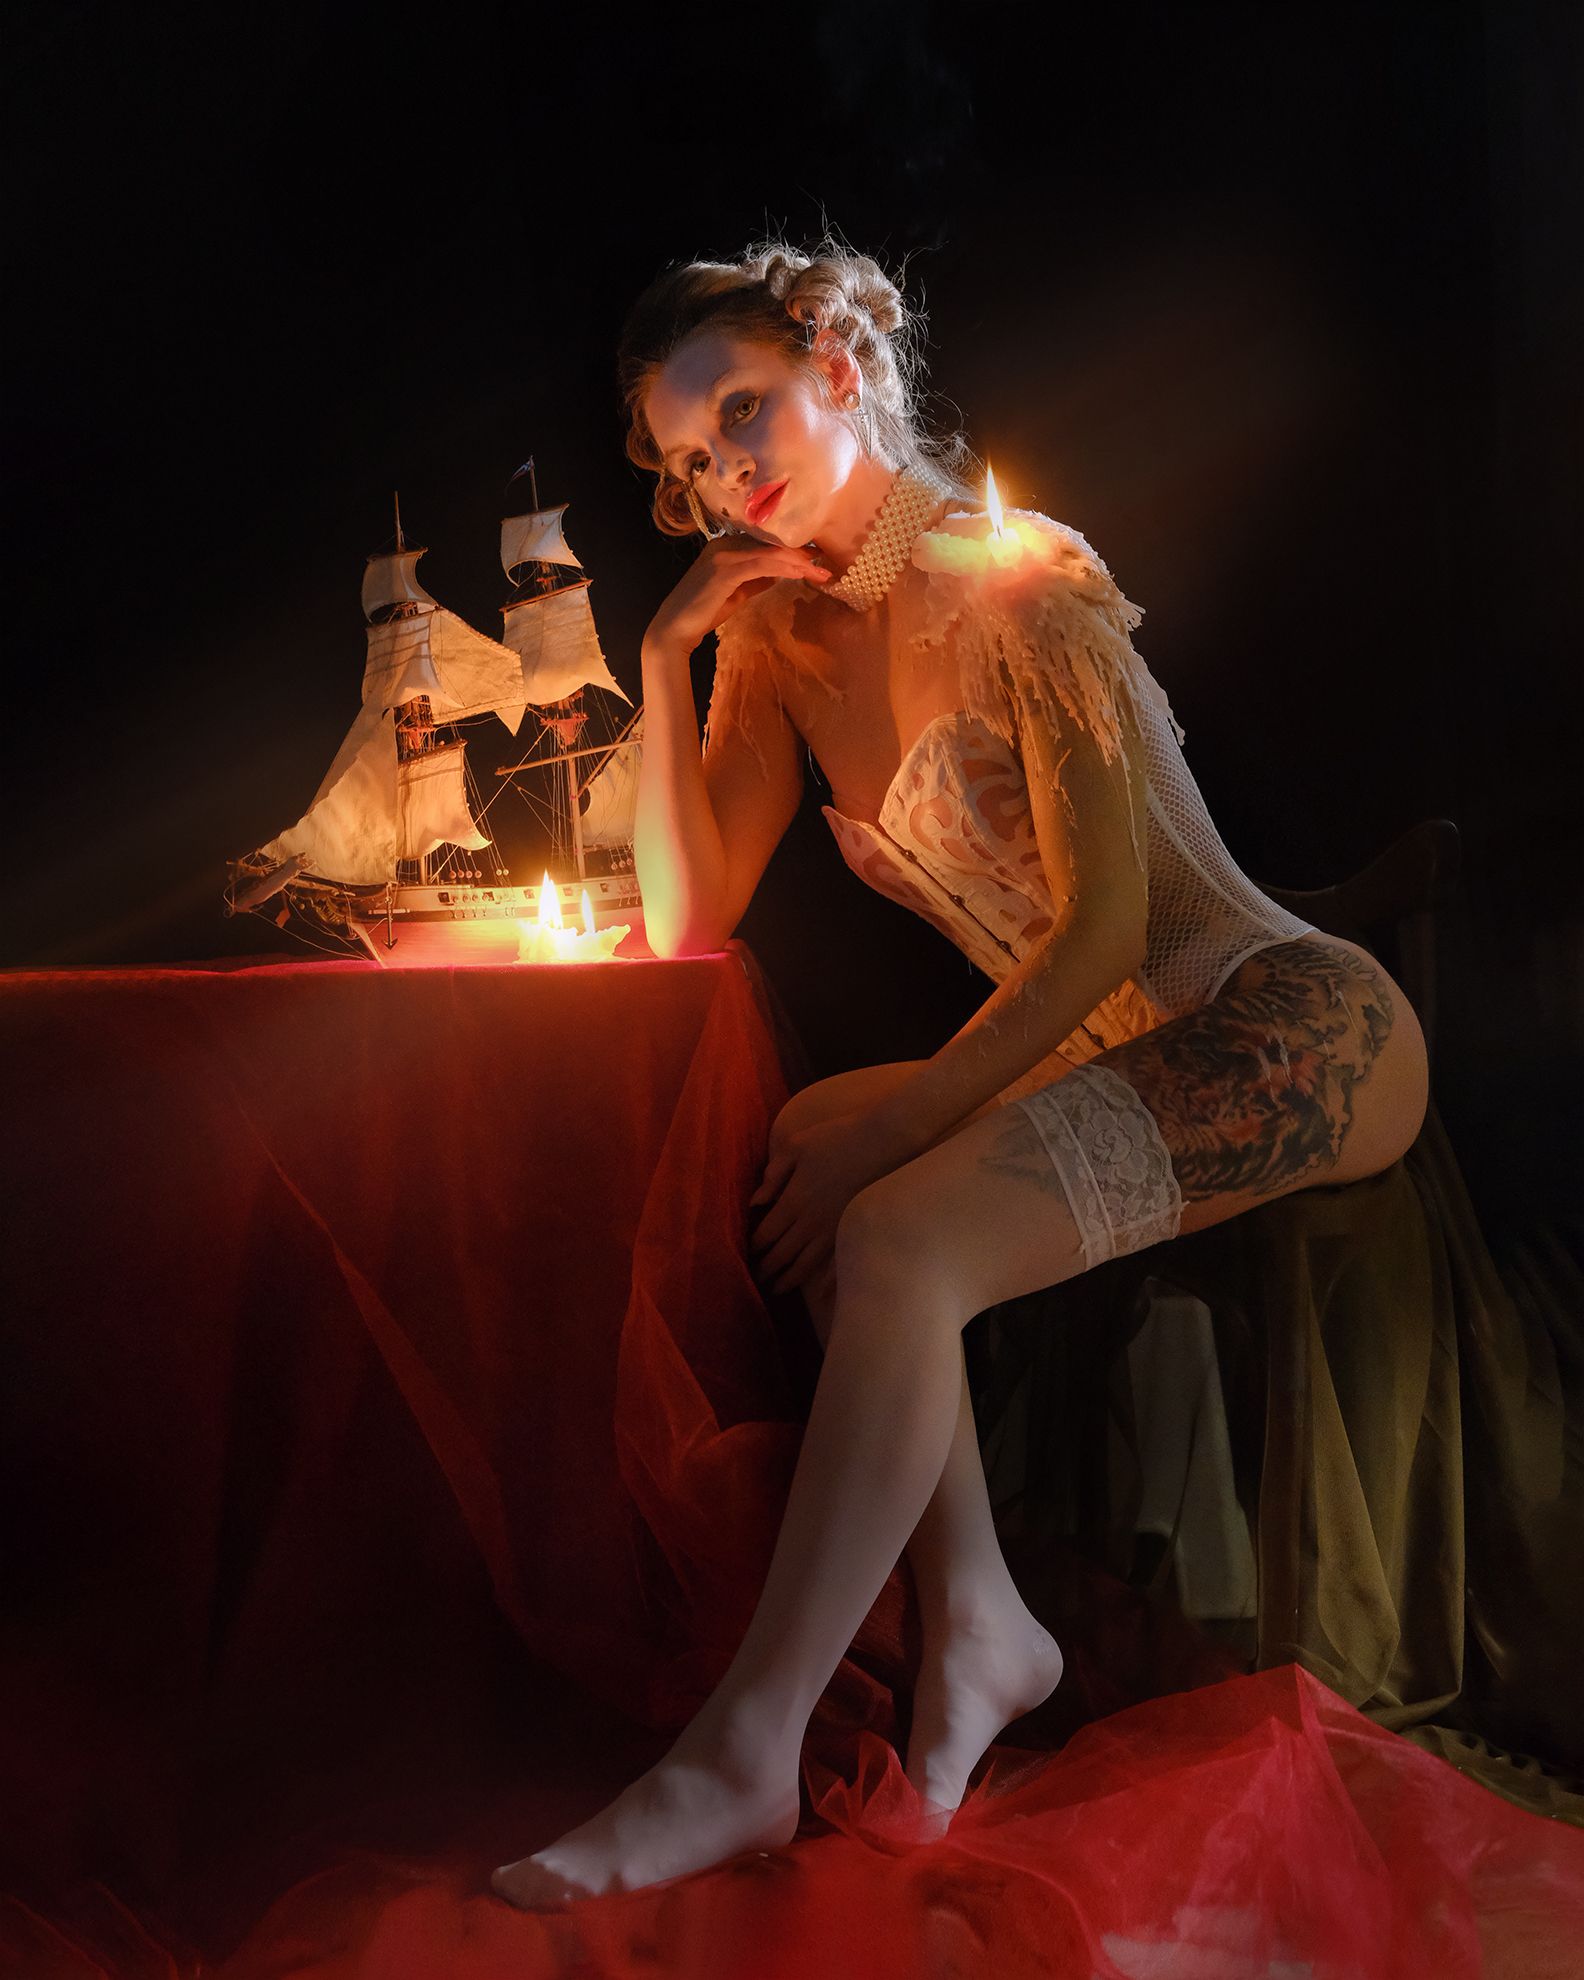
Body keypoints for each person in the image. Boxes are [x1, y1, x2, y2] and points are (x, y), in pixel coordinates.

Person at [491, 237, 1430, 1908]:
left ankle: (743, 1750)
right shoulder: (779, 642)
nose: (721, 476)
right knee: (809, 1131)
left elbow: (1106, 936)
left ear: (839, 367)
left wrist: (908, 1134)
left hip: (1288, 1021)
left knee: (892, 1217)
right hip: (1109, 1056)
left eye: (743, 411)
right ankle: (982, 1616)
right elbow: (686, 920)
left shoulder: (1018, 582)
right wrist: (668, 660)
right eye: (690, 460)